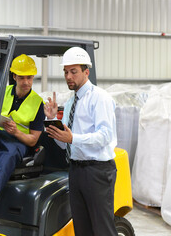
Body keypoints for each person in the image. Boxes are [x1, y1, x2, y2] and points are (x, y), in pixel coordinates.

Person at [44, 47, 118, 236]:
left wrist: (73, 138)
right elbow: (66, 143)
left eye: (73, 71)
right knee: (82, 229)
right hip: (76, 170)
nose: (68, 76)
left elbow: (105, 136)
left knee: (102, 229)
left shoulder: (99, 98)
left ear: (86, 72)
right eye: (66, 72)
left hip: (97, 171)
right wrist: (53, 124)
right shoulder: (70, 103)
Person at [0, 54, 45, 207]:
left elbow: (33, 140)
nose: (26, 82)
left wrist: (16, 132)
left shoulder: (38, 103)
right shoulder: (2, 92)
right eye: (22, 78)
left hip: (18, 142)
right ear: (14, 76)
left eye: (29, 78)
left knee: (9, 155)